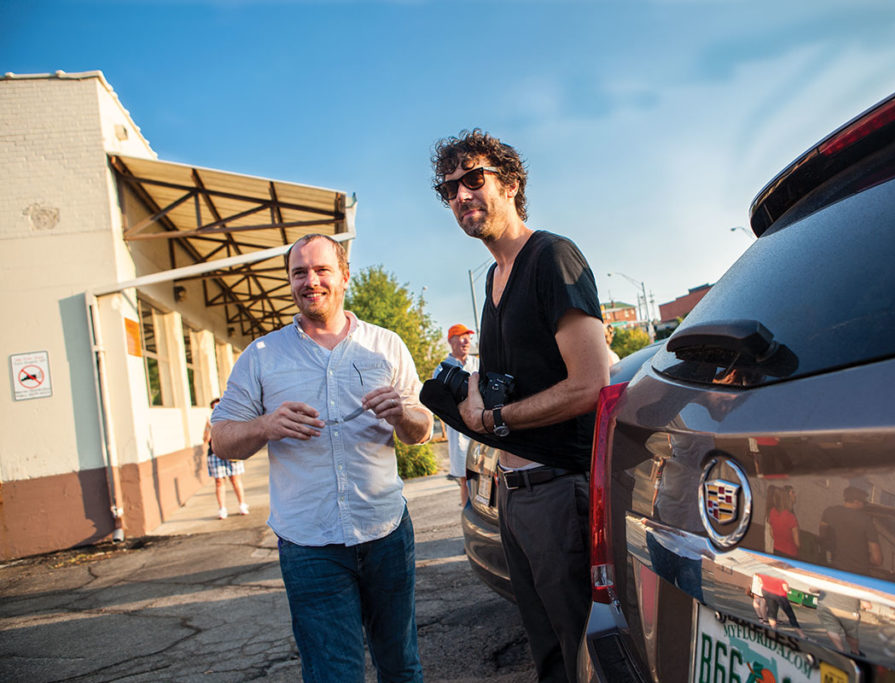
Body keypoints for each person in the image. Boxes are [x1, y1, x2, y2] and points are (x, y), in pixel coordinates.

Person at [210, 233, 433, 683]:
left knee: (401, 667)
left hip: (385, 532)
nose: (310, 281)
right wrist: (265, 425)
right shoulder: (262, 356)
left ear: (344, 276)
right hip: (309, 544)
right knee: (333, 675)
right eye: (299, 273)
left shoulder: (385, 345)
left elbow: (422, 430)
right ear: (290, 282)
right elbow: (221, 439)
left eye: (321, 270)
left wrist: (403, 414)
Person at [431, 129, 609, 683]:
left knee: (582, 653)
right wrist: (472, 394)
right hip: (511, 495)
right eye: (449, 188)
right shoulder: (493, 277)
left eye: (473, 179)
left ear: (510, 184)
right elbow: (518, 376)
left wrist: (494, 419)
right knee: (547, 654)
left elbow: (591, 384)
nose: (461, 194)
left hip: (558, 492)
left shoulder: (552, 257)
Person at [433, 323, 479, 506]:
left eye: (468, 337)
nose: (466, 341)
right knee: (465, 477)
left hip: (482, 427)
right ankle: (468, 512)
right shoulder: (442, 369)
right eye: (461, 337)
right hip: (459, 431)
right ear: (451, 341)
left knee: (486, 473)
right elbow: (439, 403)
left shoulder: (477, 363)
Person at [203, 397, 248, 519]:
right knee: (219, 481)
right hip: (215, 454)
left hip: (231, 453)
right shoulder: (210, 422)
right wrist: (208, 427)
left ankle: (242, 505)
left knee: (235, 479)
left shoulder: (231, 419)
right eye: (214, 408)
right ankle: (222, 508)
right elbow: (205, 440)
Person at [819, 486, 882, 574]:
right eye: (864, 502)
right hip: (858, 574)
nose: (864, 505)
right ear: (856, 501)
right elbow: (876, 559)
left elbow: (822, 535)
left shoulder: (829, 512)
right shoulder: (866, 521)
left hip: (832, 569)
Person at [768, 485, 800, 559]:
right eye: (793, 492)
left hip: (776, 550)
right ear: (787, 496)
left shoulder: (773, 512)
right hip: (790, 553)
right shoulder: (791, 517)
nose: (795, 495)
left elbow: (772, 533)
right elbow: (797, 543)